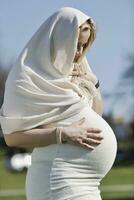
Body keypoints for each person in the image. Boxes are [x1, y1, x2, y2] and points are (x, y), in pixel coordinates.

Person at [0, 7, 117, 200]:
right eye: (75, 45)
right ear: (60, 39)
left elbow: (96, 116)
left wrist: (93, 84)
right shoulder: (25, 78)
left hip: (87, 182)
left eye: (84, 46)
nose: (79, 53)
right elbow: (12, 137)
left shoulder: (73, 72)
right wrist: (62, 134)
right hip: (58, 180)